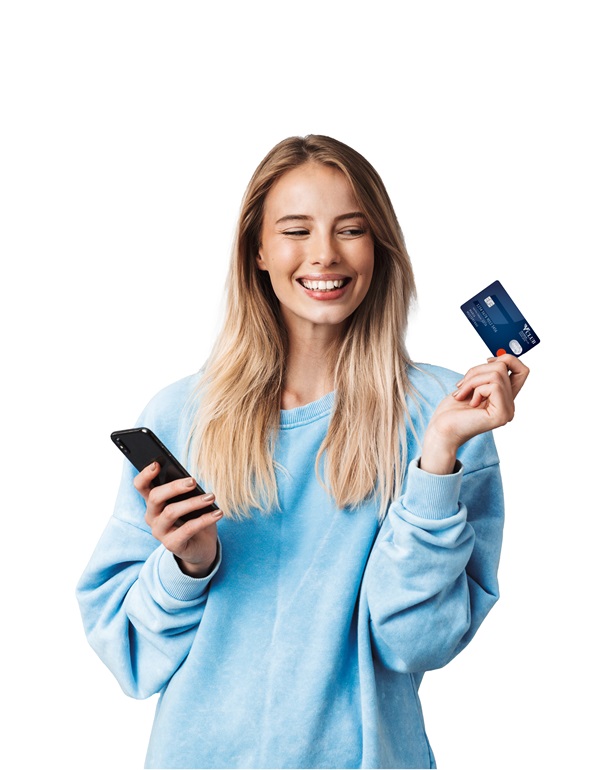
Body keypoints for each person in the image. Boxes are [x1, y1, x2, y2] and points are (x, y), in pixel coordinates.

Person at [76, 134, 529, 769]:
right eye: (296, 230)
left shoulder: (440, 413)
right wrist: (188, 567)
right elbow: (129, 653)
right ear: (256, 250)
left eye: (352, 229)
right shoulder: (180, 415)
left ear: (379, 248)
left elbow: (414, 642)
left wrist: (436, 465)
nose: (325, 255)